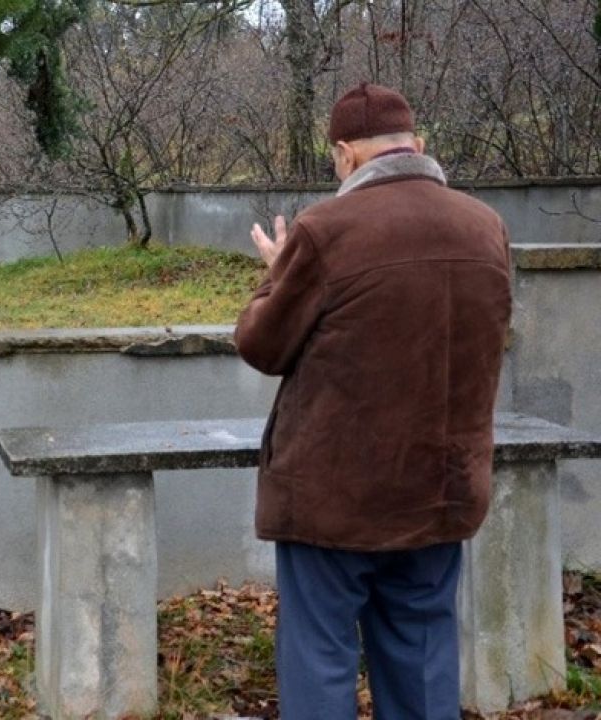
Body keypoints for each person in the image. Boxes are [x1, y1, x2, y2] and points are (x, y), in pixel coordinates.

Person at [235, 83, 512, 719]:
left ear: (345, 154)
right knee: (423, 658)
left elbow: (261, 345)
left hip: (333, 500)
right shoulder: (486, 227)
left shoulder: (326, 231)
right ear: (417, 145)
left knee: (320, 659)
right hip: (440, 489)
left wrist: (276, 275)